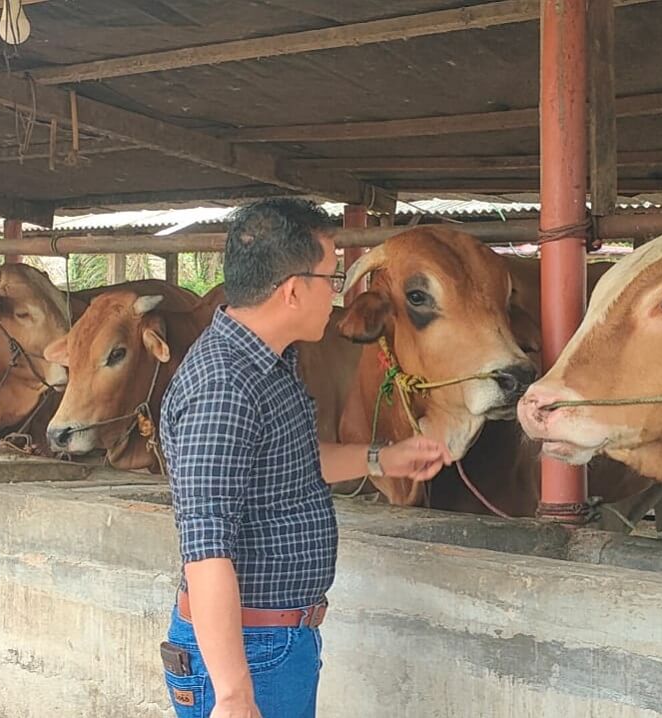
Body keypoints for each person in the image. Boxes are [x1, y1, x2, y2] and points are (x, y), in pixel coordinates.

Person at [158, 198, 452, 718]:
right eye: (330, 279)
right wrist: (232, 692)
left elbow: (296, 463)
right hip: (248, 651)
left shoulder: (270, 365)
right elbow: (205, 549)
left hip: (277, 642)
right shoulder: (224, 386)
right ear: (294, 290)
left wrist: (385, 459)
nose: (337, 297)